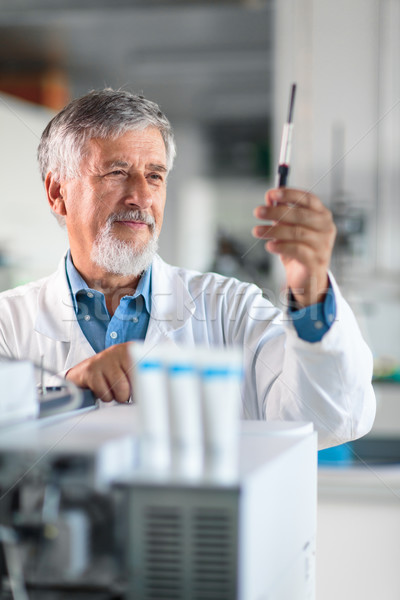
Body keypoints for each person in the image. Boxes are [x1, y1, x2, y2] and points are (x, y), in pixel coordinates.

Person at [0, 88, 375, 448]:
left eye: (155, 175)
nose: (142, 197)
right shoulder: (8, 324)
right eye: (116, 172)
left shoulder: (232, 311)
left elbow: (332, 419)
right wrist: (62, 393)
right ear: (57, 193)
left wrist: (312, 289)